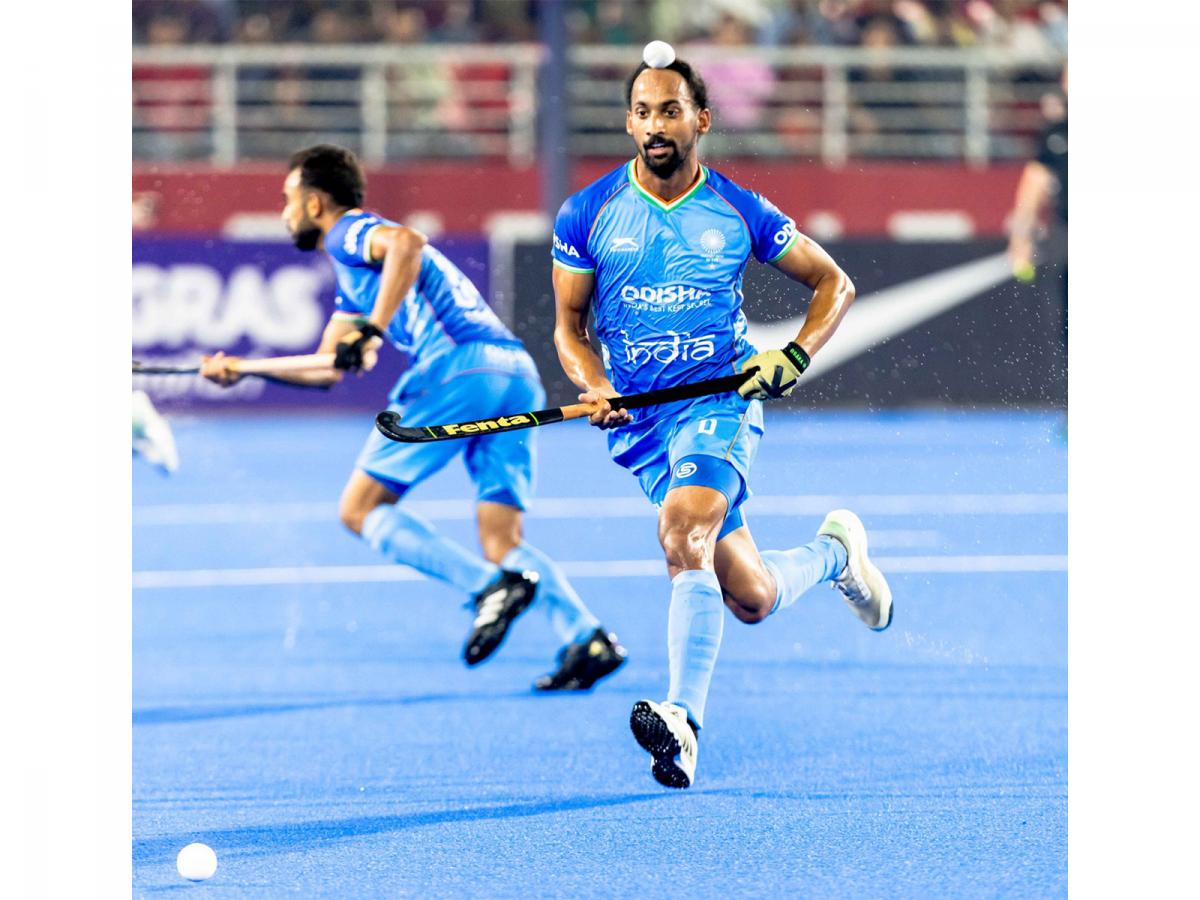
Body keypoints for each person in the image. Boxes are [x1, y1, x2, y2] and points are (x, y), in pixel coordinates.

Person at [550, 51, 892, 789]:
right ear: (629, 123)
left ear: (701, 120)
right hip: (642, 425)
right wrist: (594, 383)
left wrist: (793, 355)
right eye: (643, 112)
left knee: (683, 533)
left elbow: (833, 283)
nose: (656, 126)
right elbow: (569, 330)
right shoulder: (587, 214)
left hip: (719, 402)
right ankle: (837, 556)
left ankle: (683, 720)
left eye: (670, 111)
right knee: (752, 597)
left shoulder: (739, 210)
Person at [201, 144, 625, 691]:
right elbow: (329, 368)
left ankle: (487, 587)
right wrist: (244, 369)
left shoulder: (348, 231)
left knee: (359, 509)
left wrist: (374, 329)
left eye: (288, 199)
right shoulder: (355, 277)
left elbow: (408, 242)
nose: (284, 213)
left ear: (314, 203)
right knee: (502, 538)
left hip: (459, 370)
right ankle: (586, 637)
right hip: (513, 373)